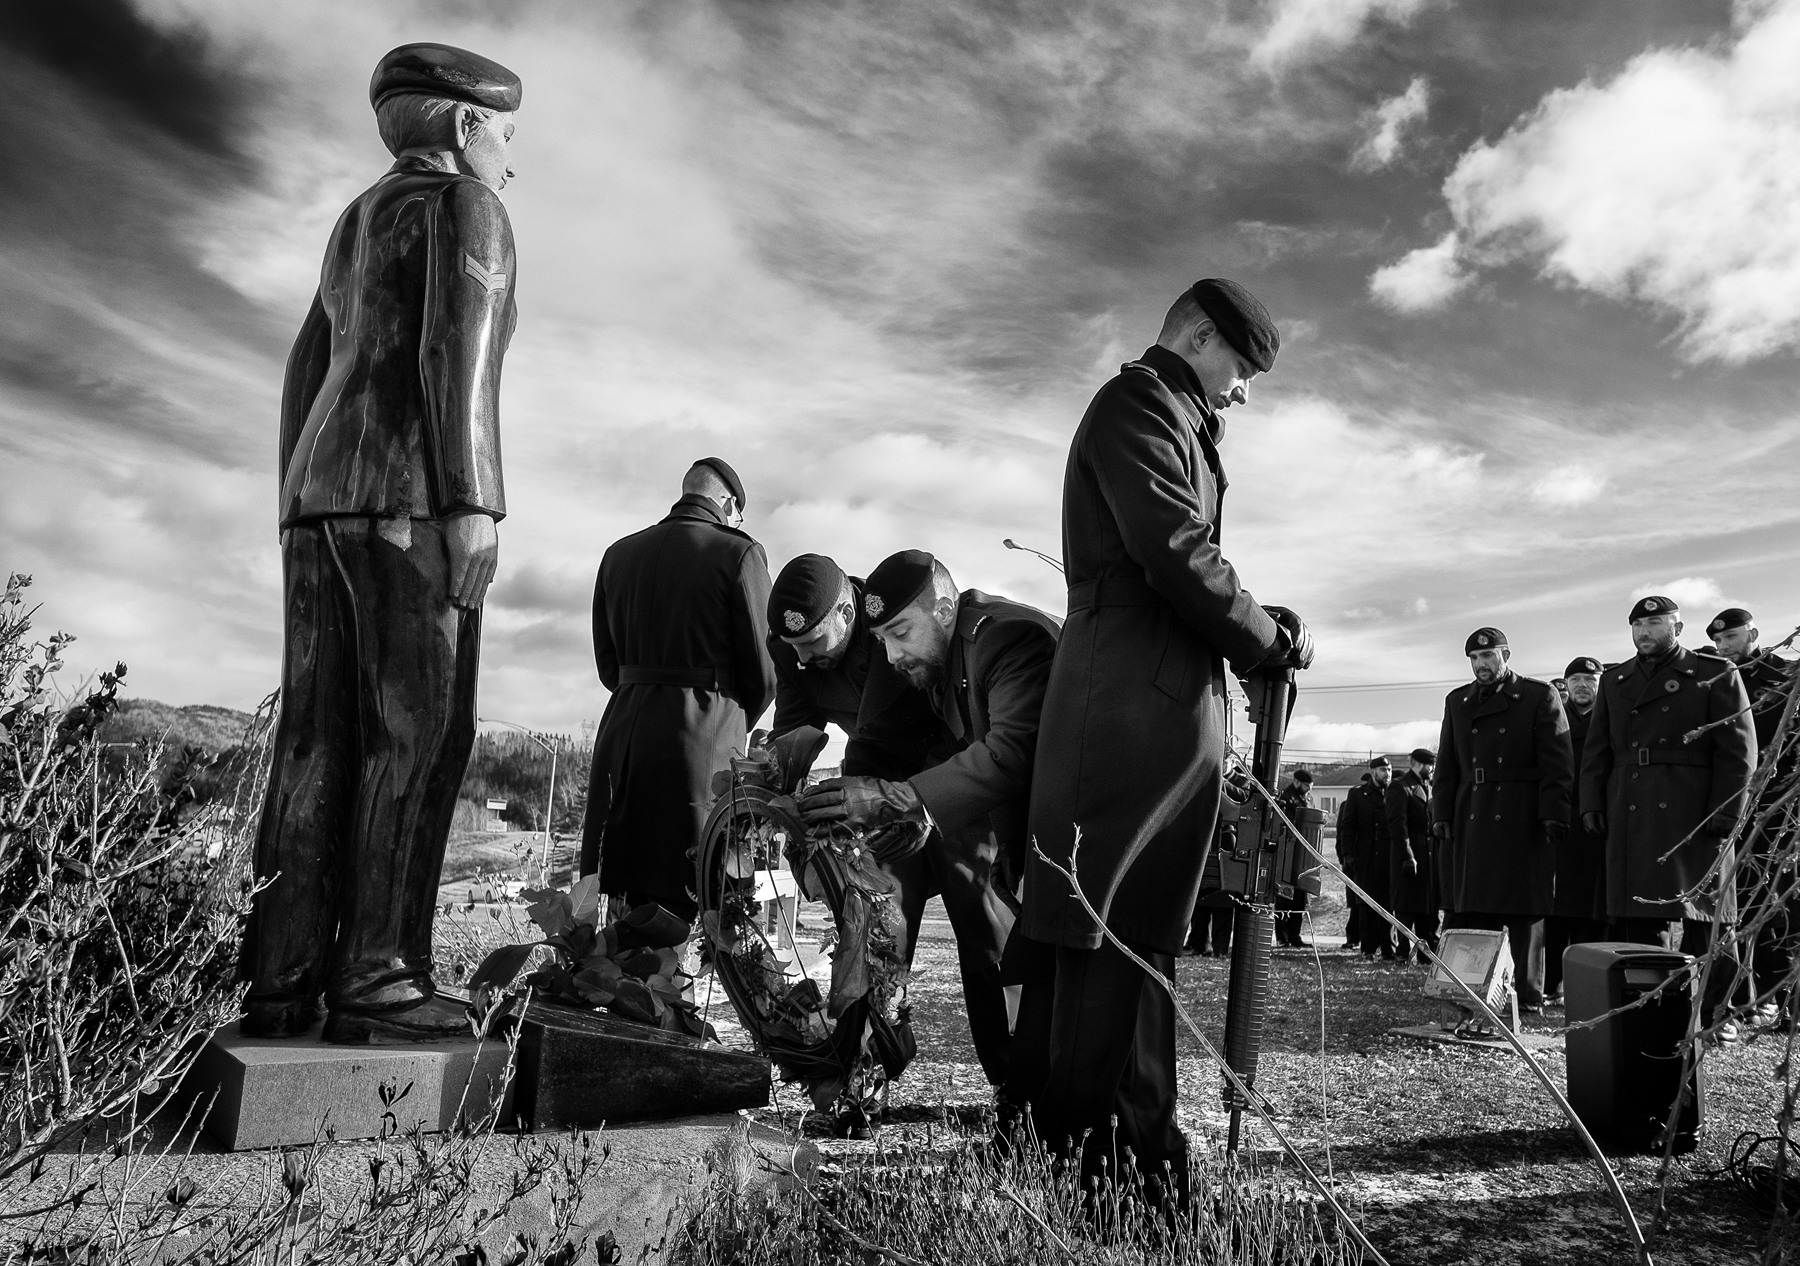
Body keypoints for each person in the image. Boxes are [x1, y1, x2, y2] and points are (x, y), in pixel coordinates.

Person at [246, 43, 524, 1043]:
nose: (507, 156)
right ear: (461, 127)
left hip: (320, 496)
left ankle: (278, 983)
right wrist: (472, 499)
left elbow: (306, 367)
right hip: (409, 500)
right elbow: (462, 348)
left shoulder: (352, 222)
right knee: (420, 734)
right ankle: (379, 979)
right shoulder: (466, 210)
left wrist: (294, 501)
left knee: (316, 737)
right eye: (503, 133)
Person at [1019, 277, 1313, 1203]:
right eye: (1241, 367)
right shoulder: (1136, 405)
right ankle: (1099, 1166)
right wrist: (1265, 636)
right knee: (1107, 937)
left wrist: (1268, 624)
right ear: (1194, 333)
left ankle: (1136, 1155)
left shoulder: (1171, 413)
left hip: (1147, 704)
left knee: (1135, 942)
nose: (1244, 392)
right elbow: (1174, 549)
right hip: (1126, 712)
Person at [797, 550, 1058, 1093]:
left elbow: (1011, 752)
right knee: (891, 902)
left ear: (943, 609)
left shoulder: (1001, 639)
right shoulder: (944, 666)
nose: (892, 655)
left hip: (1087, 828)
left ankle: (1028, 1091)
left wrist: (907, 799)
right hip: (992, 823)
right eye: (883, 641)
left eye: (900, 632)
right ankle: (873, 1058)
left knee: (995, 936)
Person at [582, 459, 778, 920]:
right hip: (703, 736)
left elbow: (607, 664)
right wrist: (734, 719)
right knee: (702, 889)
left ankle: (623, 983)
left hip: (624, 731)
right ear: (728, 503)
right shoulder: (740, 553)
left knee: (622, 888)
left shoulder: (619, 553)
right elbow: (766, 668)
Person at [1581, 597, 1756, 1038]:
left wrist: (1728, 809)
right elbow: (1597, 750)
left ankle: (1721, 1012)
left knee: (1709, 916)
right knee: (1640, 914)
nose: (1645, 631)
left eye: (1655, 622)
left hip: (1693, 808)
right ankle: (1652, 1005)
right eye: (1638, 624)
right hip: (1630, 805)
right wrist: (1592, 804)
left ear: (1677, 627)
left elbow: (1738, 752)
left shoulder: (1715, 672)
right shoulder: (1616, 679)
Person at [1431, 627, 1573, 1015]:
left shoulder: (1538, 696)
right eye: (1475, 659)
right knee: (1469, 908)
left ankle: (1525, 995)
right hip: (1471, 812)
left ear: (1505, 655)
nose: (1481, 665)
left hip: (1521, 814)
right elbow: (1447, 764)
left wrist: (1553, 812)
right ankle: (1464, 989)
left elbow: (1558, 763)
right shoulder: (1457, 701)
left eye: (1488, 657)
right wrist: (1441, 812)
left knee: (1523, 909)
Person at [1708, 607, 1795, 1021]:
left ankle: (1788, 997)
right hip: (1733, 805)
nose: (1724, 647)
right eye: (1719, 641)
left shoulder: (1785, 677)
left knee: (1782, 900)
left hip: (1779, 808)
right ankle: (1747, 998)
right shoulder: (1717, 679)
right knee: (1737, 901)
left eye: (1731, 638)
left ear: (1754, 634)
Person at [1543, 656, 1608, 1003]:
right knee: (1556, 910)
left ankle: (1586, 985)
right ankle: (1551, 982)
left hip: (1598, 824)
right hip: (1561, 823)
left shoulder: (1609, 718)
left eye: (1590, 680)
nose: (1582, 686)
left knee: (1594, 911)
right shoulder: (1554, 720)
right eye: (1576, 680)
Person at [1385, 748, 1438, 962]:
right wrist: (1407, 856)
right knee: (1406, 906)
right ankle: (1403, 953)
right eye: (1429, 765)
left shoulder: (1428, 787)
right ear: (1416, 764)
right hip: (1409, 852)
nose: (1432, 769)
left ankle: (1428, 955)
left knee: (1428, 907)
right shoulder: (1400, 787)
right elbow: (1398, 825)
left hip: (1429, 852)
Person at [1346, 758, 1396, 958]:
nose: (1387, 774)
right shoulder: (1358, 794)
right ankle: (1368, 948)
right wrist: (1347, 853)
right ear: (1373, 771)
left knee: (1388, 903)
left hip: (1388, 854)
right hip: (1365, 854)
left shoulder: (1394, 792)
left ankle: (1388, 948)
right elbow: (1348, 826)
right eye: (1383, 770)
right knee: (1365, 903)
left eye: (1390, 770)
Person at [1273, 769, 1315, 947]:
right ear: (1297, 782)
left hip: (1302, 856)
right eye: (1306, 785)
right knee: (1285, 897)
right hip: (1287, 853)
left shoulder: (1308, 799)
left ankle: (1294, 935)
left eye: (1310, 786)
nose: (1308, 790)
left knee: (1300, 896)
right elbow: (1286, 824)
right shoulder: (1285, 797)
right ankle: (1282, 936)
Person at [1336, 773, 1372, 949]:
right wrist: (1345, 856)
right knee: (1356, 903)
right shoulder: (1348, 805)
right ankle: (1352, 937)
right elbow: (1342, 832)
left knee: (1362, 903)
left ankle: (1356, 937)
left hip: (1366, 857)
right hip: (1353, 858)